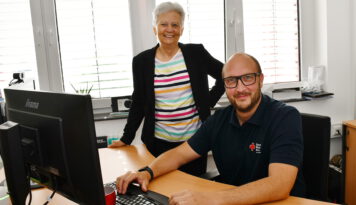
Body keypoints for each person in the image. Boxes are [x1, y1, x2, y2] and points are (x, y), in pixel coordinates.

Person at [116, 53, 305, 204]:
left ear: (260, 80)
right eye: (231, 80)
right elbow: (178, 155)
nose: (240, 88)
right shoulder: (220, 119)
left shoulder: (285, 117)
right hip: (234, 200)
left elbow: (279, 185)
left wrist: (213, 198)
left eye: (248, 78)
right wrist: (146, 172)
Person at [108, 1, 225, 177]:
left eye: (175, 25)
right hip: (158, 145)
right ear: (155, 28)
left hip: (194, 143)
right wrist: (126, 138)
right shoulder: (142, 62)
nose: (169, 29)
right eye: (163, 24)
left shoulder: (196, 54)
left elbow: (225, 75)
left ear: (182, 29)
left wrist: (207, 102)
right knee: (160, 193)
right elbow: (138, 102)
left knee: (191, 193)